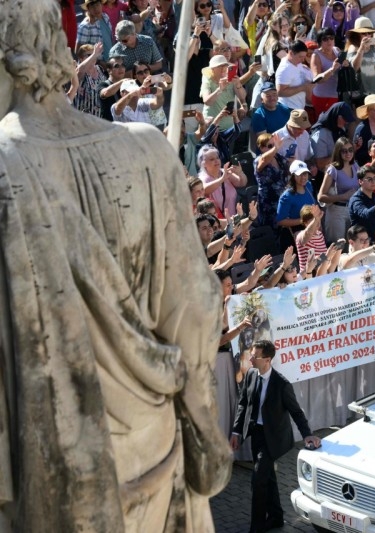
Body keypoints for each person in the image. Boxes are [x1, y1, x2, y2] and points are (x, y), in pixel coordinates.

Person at [0, 1, 230, 528]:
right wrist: (205, 436)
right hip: (158, 457)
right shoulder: (147, 148)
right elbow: (197, 310)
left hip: (54, 488)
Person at [230, 341, 321, 532]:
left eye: (255, 356)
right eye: (251, 354)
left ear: (267, 360)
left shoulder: (281, 385)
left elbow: (296, 412)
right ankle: (276, 517)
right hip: (256, 434)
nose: (251, 359)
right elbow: (243, 403)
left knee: (258, 480)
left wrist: (307, 435)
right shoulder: (251, 374)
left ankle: (256, 527)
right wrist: (236, 431)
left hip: (273, 439)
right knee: (267, 476)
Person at [319, 137, 361, 242]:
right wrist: (343, 196)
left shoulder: (355, 165)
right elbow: (321, 196)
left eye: (350, 150)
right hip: (337, 211)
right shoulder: (333, 169)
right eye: (344, 151)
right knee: (338, 246)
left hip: (352, 210)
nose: (348, 153)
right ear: (338, 152)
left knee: (351, 246)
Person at [275, 40, 312, 111]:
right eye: (300, 57)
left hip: (299, 107)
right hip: (288, 109)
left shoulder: (296, 62)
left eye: (304, 57)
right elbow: (280, 92)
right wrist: (303, 87)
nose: (303, 60)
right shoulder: (285, 69)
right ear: (291, 53)